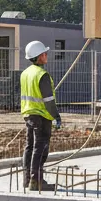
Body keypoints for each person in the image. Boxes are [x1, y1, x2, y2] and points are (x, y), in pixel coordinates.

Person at [20, 40, 62, 192]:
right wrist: (56, 116)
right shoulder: (42, 75)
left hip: (29, 115)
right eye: (44, 53)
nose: (46, 55)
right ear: (39, 56)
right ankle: (36, 181)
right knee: (40, 148)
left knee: (30, 147)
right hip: (42, 116)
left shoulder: (25, 73)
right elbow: (48, 100)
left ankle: (27, 180)